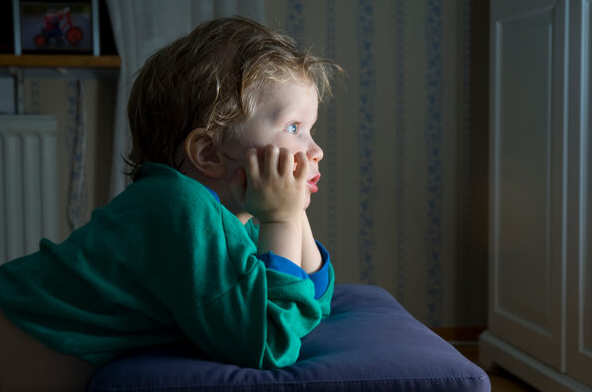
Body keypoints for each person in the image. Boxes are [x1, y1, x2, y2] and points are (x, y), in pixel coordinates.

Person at [0, 16, 342, 392]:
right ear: (209, 153)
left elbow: (311, 306)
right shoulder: (180, 209)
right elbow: (270, 342)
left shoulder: (237, 220)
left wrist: (292, 215)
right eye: (294, 128)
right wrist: (283, 218)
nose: (316, 150)